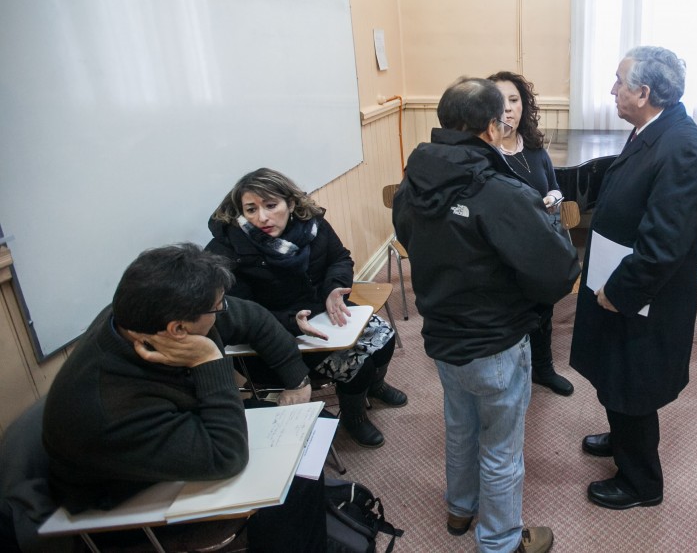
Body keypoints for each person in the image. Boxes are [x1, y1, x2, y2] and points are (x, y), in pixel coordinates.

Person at [392, 77, 580, 553]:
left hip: (440, 333)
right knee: (501, 447)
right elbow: (558, 271)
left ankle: (460, 508)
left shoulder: (413, 179)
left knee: (459, 425)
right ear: (494, 129)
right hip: (494, 341)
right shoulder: (502, 192)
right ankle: (499, 542)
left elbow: (411, 237)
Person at [42, 244, 326, 551]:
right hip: (126, 496)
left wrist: (296, 379)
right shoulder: (108, 408)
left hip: (180, 428)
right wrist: (209, 361)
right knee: (293, 480)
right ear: (178, 330)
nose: (223, 311)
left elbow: (254, 317)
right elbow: (225, 457)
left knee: (316, 427)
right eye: (218, 307)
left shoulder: (151, 317)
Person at [570, 46, 697, 510]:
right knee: (617, 373)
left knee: (633, 382)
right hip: (621, 280)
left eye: (618, 81)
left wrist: (618, 291)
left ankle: (641, 483)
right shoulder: (652, 130)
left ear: (645, 92)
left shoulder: (683, 148)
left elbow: (664, 245)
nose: (612, 90)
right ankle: (620, 439)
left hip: (640, 295)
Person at [206, 168, 406, 449]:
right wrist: (290, 321)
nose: (261, 217)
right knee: (358, 365)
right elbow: (236, 313)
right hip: (276, 334)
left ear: (290, 203)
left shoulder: (312, 224)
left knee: (385, 339)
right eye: (250, 209)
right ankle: (354, 417)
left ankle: (376, 387)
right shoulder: (226, 248)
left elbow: (340, 258)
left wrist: (335, 288)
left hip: (325, 308)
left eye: (271, 206)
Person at [487, 70, 573, 397]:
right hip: (504, 255)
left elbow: (554, 186)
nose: (508, 108)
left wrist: (554, 197)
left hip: (540, 248)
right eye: (500, 101)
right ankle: (510, 376)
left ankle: (544, 368)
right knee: (511, 317)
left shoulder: (534, 147)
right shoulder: (485, 152)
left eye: (514, 100)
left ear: (524, 105)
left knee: (544, 312)